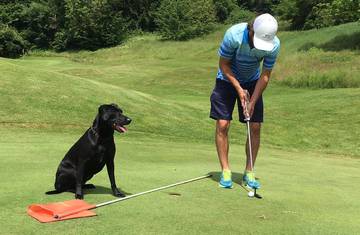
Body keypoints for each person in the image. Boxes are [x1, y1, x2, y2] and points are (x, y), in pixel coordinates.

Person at [209, 13, 280, 189]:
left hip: (253, 80)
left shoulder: (273, 45)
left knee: (254, 126)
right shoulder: (234, 35)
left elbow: (265, 75)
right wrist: (239, 89)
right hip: (226, 80)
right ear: (251, 29)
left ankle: (249, 172)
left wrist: (253, 100)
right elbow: (223, 64)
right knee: (223, 124)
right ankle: (226, 170)